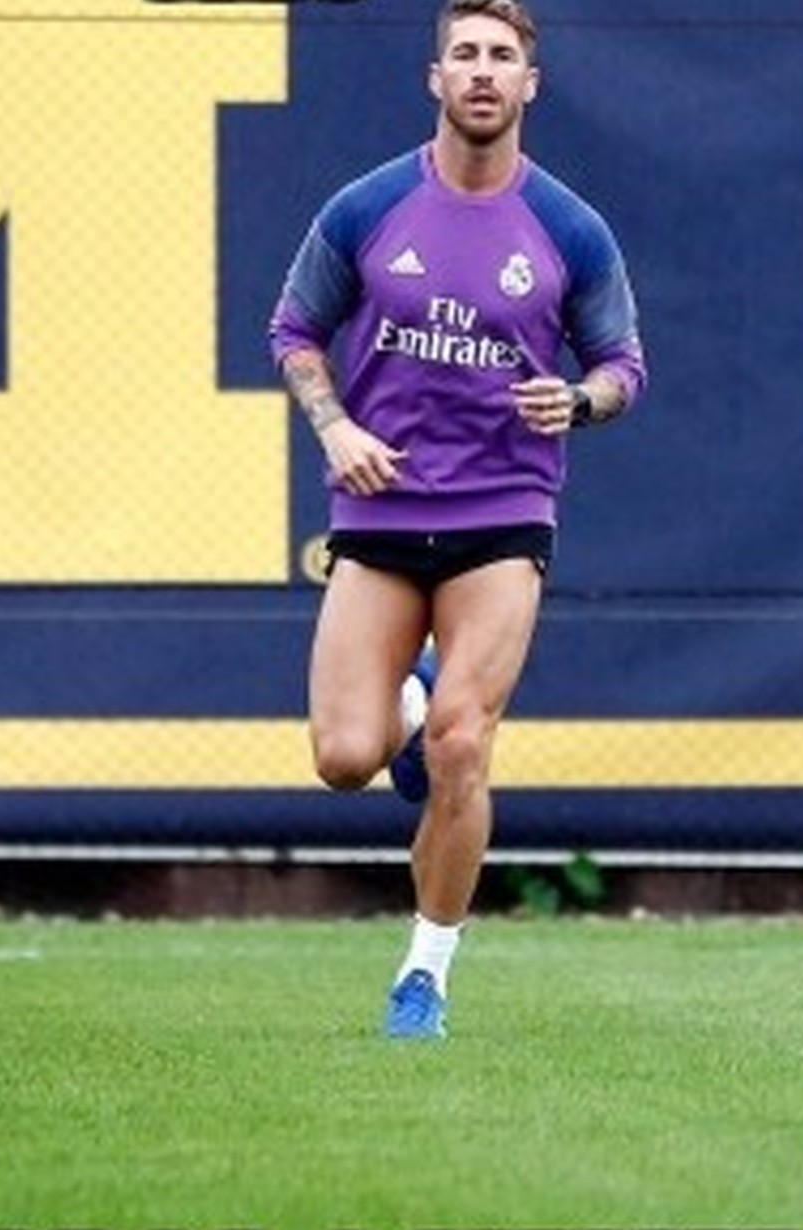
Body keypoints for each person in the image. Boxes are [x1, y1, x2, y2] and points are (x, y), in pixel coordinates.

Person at [268, 0, 647, 1040]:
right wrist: (336, 426)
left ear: (531, 84)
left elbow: (621, 365)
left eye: (502, 57)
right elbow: (294, 329)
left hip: (502, 513)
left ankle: (423, 980)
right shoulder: (367, 208)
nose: (483, 71)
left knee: (464, 742)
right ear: (435, 79)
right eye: (465, 55)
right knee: (344, 758)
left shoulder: (569, 228)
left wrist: (577, 401)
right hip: (382, 508)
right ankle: (408, 703)